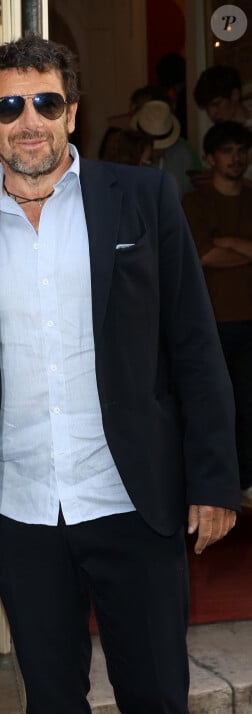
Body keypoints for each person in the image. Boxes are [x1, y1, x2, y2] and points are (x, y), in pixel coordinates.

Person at [0, 33, 239, 714]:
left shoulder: (141, 198)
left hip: (131, 498)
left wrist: (213, 479)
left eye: (45, 102)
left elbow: (195, 348)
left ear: (72, 111)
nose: (28, 120)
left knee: (157, 703)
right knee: (54, 712)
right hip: (23, 508)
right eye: (9, 105)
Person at [182, 121, 252, 509]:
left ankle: (249, 479)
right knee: (216, 405)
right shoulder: (195, 203)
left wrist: (225, 241)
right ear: (210, 158)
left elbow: (214, 250)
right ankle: (220, 485)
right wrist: (239, 248)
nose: (236, 157)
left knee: (250, 402)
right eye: (227, 150)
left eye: (241, 150)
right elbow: (204, 254)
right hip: (212, 320)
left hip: (249, 317)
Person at [129, 99, 200, 197]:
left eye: (164, 145)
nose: (160, 151)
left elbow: (191, 194)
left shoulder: (182, 153)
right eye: (154, 147)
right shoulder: (126, 159)